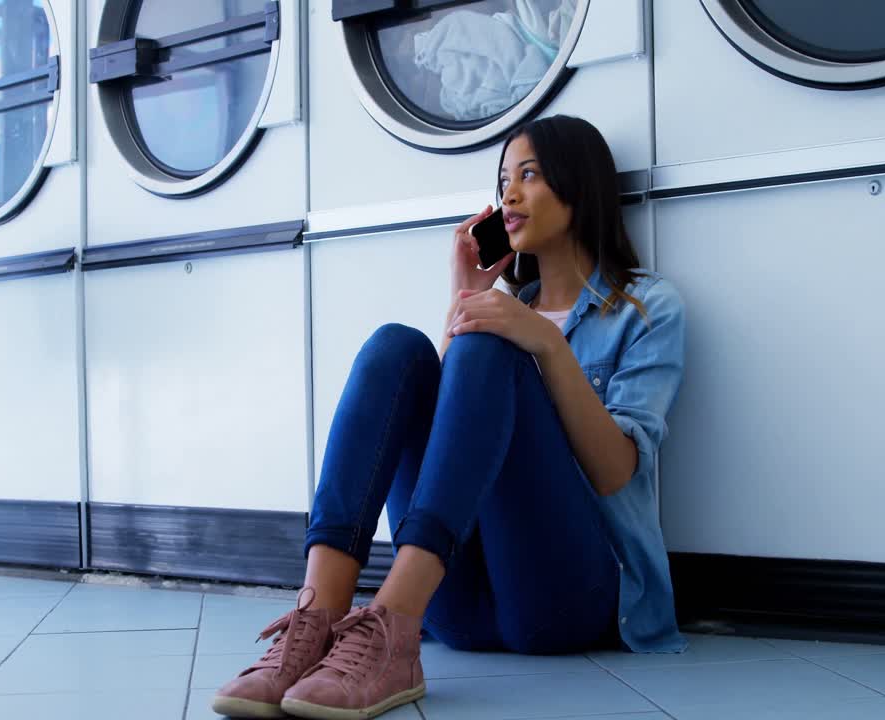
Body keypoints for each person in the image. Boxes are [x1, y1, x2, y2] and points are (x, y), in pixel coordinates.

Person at [212, 115, 688, 720]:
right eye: (503, 180)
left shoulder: (645, 309)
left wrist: (545, 342)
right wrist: (464, 299)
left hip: (570, 600)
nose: (508, 195)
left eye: (530, 175)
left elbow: (619, 471)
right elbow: (453, 443)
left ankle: (392, 625)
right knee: (394, 348)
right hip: (456, 608)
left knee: (490, 342)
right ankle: (318, 618)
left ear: (579, 186)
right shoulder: (506, 311)